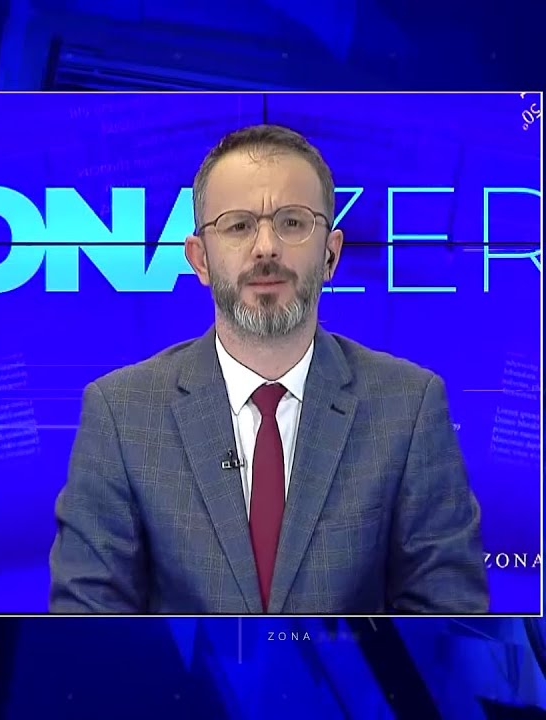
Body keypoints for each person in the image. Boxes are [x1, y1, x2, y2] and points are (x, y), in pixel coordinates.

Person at [49, 124, 487, 614]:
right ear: (199, 259)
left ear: (331, 254)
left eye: (292, 223)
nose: (265, 248)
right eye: (238, 226)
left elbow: (450, 619)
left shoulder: (408, 405)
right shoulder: (122, 413)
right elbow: (87, 621)